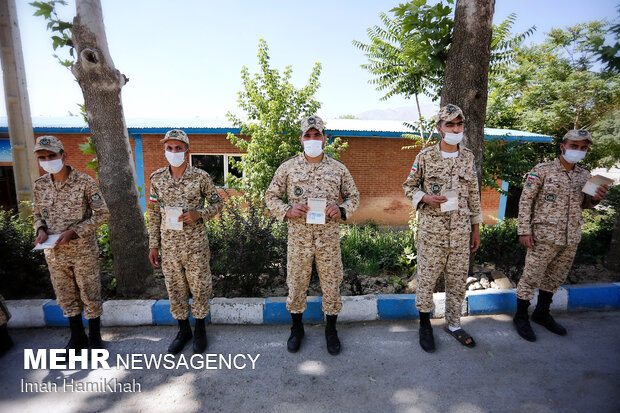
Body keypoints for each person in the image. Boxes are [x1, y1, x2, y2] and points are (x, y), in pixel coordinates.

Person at [265, 115, 359, 355]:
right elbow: (270, 197)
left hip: (328, 238)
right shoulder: (288, 167)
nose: (313, 139)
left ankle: (331, 330)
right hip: (299, 238)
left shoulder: (338, 168)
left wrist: (341, 209)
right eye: (308, 135)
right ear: (301, 139)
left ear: (325, 139)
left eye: (317, 135)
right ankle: (297, 329)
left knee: (331, 284)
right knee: (296, 284)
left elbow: (353, 196)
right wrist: (287, 209)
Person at [514, 129, 608, 341]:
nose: (579, 151)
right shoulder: (542, 170)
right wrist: (524, 231)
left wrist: (596, 199)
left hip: (570, 237)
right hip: (543, 236)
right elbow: (525, 200)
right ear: (563, 147)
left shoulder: (585, 175)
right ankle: (521, 317)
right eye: (574, 146)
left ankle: (542, 313)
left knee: (555, 277)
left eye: (583, 148)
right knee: (530, 277)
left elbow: (585, 204)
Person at [403, 104, 482, 353]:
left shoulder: (468, 157)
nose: (455, 129)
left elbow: (473, 194)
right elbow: (409, 186)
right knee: (427, 280)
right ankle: (425, 324)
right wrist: (425, 198)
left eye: (459, 124)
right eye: (450, 124)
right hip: (432, 232)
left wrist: (476, 229)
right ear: (439, 128)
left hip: (460, 231)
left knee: (457, 281)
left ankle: (454, 324)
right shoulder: (425, 157)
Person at [33, 135, 110, 353]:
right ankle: (77, 338)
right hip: (55, 253)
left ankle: (95, 338)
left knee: (90, 294)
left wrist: (74, 232)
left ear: (63, 155)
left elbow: (102, 214)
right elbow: (38, 214)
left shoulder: (85, 182)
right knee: (66, 296)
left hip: (82, 251)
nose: (47, 159)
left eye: (52, 155)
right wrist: (40, 229)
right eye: (43, 156)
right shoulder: (40, 186)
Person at [148, 129, 223, 354]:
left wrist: (200, 213)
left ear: (186, 151)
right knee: (175, 289)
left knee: (199, 287)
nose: (173, 152)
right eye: (169, 148)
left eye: (178, 148)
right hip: (169, 245)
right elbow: (153, 213)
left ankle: (200, 329)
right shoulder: (157, 179)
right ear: (164, 150)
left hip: (195, 245)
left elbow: (217, 204)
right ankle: (183, 330)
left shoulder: (201, 177)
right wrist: (153, 245)